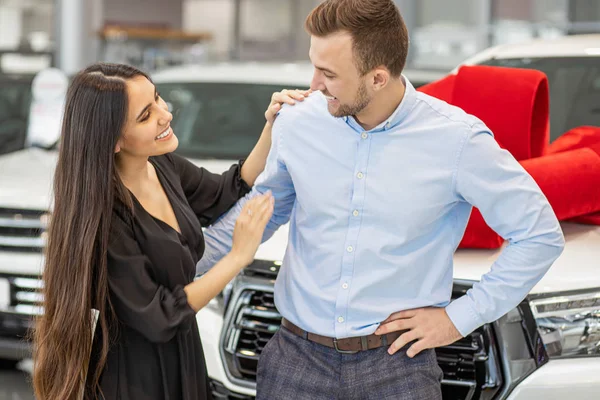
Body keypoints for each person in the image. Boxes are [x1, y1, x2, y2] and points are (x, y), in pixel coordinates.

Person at [198, 0, 566, 398]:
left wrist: (459, 319)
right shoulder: (298, 122)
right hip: (294, 361)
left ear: (377, 78)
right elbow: (253, 218)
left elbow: (539, 234)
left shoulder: (458, 141)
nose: (314, 84)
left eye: (329, 74)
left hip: (397, 369)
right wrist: (161, 275)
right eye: (314, 65)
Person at [31, 62, 309, 400]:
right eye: (146, 115)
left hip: (184, 354)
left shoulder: (162, 166)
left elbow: (228, 189)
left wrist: (271, 126)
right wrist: (237, 257)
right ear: (115, 140)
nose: (166, 115)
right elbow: (160, 315)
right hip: (134, 376)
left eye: (159, 99)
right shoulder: (107, 217)